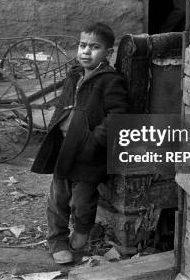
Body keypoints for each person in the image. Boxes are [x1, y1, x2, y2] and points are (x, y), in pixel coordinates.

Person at [31, 22, 129, 264]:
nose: (86, 51)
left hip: (88, 152)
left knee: (82, 201)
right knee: (58, 198)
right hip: (64, 148)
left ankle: (83, 230)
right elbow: (63, 105)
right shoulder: (74, 74)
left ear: (108, 53)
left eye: (94, 47)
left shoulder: (110, 81)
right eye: (82, 45)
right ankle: (57, 240)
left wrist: (95, 140)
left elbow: (118, 115)